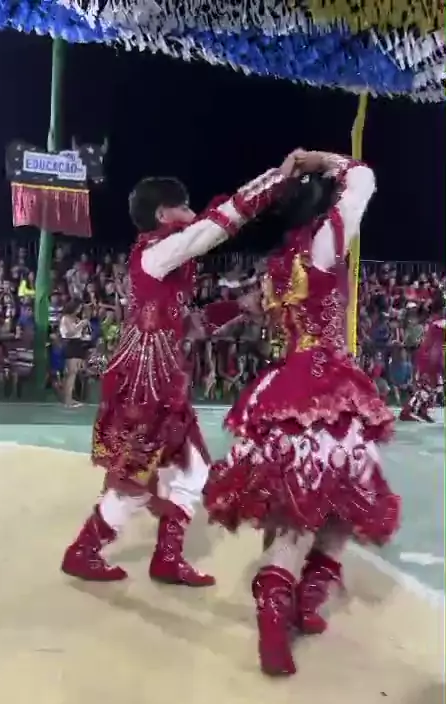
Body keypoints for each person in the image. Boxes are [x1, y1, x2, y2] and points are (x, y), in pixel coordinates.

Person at [61, 150, 307, 584]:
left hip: (163, 382)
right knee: (136, 482)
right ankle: (84, 552)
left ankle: (165, 559)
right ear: (162, 214)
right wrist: (277, 178)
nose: (193, 213)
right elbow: (213, 229)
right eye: (185, 206)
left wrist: (240, 306)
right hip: (146, 386)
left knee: (191, 471)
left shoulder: (165, 269)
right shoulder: (155, 253)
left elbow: (191, 325)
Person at [203, 151, 401, 676]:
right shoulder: (326, 243)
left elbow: (247, 308)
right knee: (341, 503)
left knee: (296, 505)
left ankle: (283, 609)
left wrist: (211, 317)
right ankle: (300, 605)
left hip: (285, 385)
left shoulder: (277, 266)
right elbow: (364, 177)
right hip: (329, 387)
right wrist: (319, 158)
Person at [399, 292, 445, 422]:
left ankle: (422, 410)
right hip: (430, 356)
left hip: (432, 355)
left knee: (435, 386)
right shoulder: (438, 322)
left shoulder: (435, 321)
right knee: (427, 386)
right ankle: (408, 411)